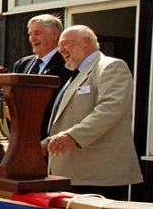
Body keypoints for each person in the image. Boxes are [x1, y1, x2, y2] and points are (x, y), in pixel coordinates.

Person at [43, 25, 142, 200]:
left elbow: (110, 109)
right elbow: (67, 120)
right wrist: (41, 147)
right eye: (59, 47)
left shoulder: (111, 66)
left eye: (65, 44)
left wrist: (73, 136)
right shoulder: (75, 75)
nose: (61, 51)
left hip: (98, 176)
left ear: (85, 42)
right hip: (72, 173)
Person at [12, 14, 73, 138]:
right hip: (21, 136)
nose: (32, 38)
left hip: (51, 139)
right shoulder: (22, 64)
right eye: (30, 34)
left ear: (55, 34)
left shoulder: (68, 63)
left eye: (37, 33)